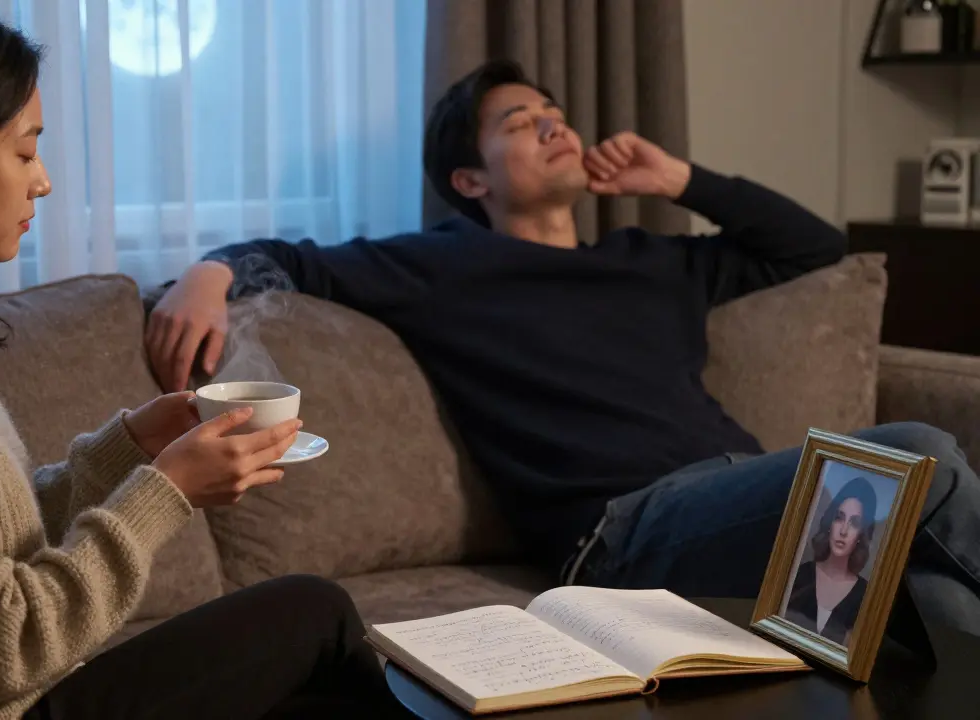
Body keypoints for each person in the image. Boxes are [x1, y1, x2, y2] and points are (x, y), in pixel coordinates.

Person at [147, 58, 980, 637]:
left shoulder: (654, 262)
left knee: (928, 585)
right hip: (625, 534)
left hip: (743, 506)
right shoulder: (444, 264)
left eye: (555, 115)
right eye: (520, 122)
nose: (552, 126)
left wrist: (679, 181)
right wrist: (207, 275)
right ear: (471, 180)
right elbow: (292, 261)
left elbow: (814, 249)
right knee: (919, 457)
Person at [0, 2, 406, 719]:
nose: (44, 181)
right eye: (24, 152)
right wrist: (164, 492)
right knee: (315, 612)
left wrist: (126, 455)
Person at [784, 478, 877, 645]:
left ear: (861, 535)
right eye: (839, 518)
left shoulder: (865, 595)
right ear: (830, 523)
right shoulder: (801, 575)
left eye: (854, 523)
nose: (843, 530)